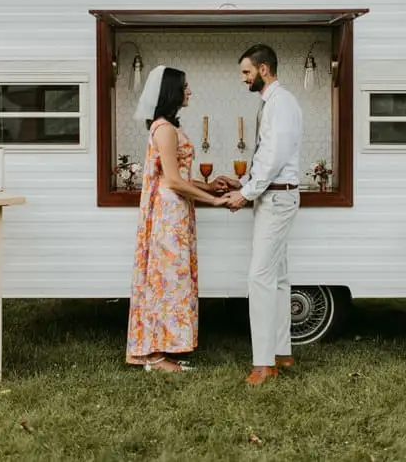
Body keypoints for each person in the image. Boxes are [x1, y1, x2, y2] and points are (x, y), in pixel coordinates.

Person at [126, 65, 229, 373]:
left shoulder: (164, 127)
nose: (189, 91)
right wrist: (214, 200)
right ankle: (156, 358)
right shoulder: (165, 129)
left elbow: (172, 176)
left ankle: (162, 351)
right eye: (185, 87)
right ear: (171, 92)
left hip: (173, 211)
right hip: (168, 216)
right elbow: (172, 180)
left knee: (171, 280)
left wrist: (208, 185)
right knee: (167, 282)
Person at [223, 44, 303, 386]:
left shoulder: (281, 103)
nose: (244, 79)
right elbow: (266, 155)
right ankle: (282, 353)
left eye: (246, 72)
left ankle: (263, 364)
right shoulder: (273, 103)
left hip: (276, 199)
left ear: (264, 69)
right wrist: (242, 181)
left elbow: (274, 157)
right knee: (279, 278)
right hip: (273, 196)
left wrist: (246, 193)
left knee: (259, 277)